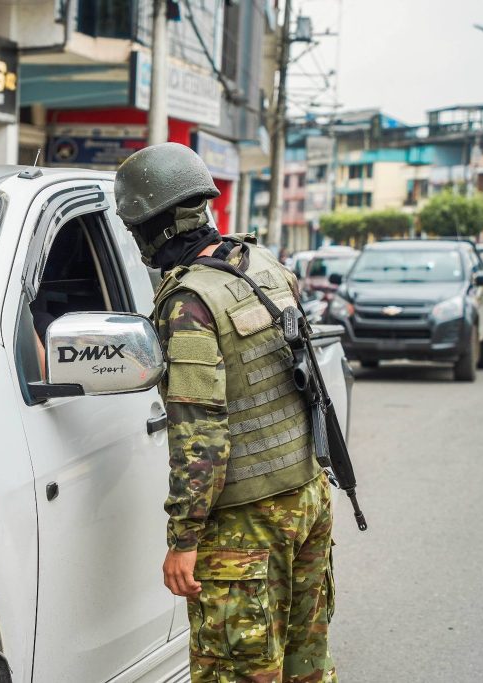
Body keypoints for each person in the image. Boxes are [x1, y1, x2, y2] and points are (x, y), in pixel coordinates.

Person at [115, 143, 337, 683]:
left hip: (245, 526)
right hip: (306, 497)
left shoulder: (188, 300)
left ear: (154, 226)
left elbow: (201, 436)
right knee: (306, 666)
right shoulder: (260, 264)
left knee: (238, 673)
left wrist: (183, 540)